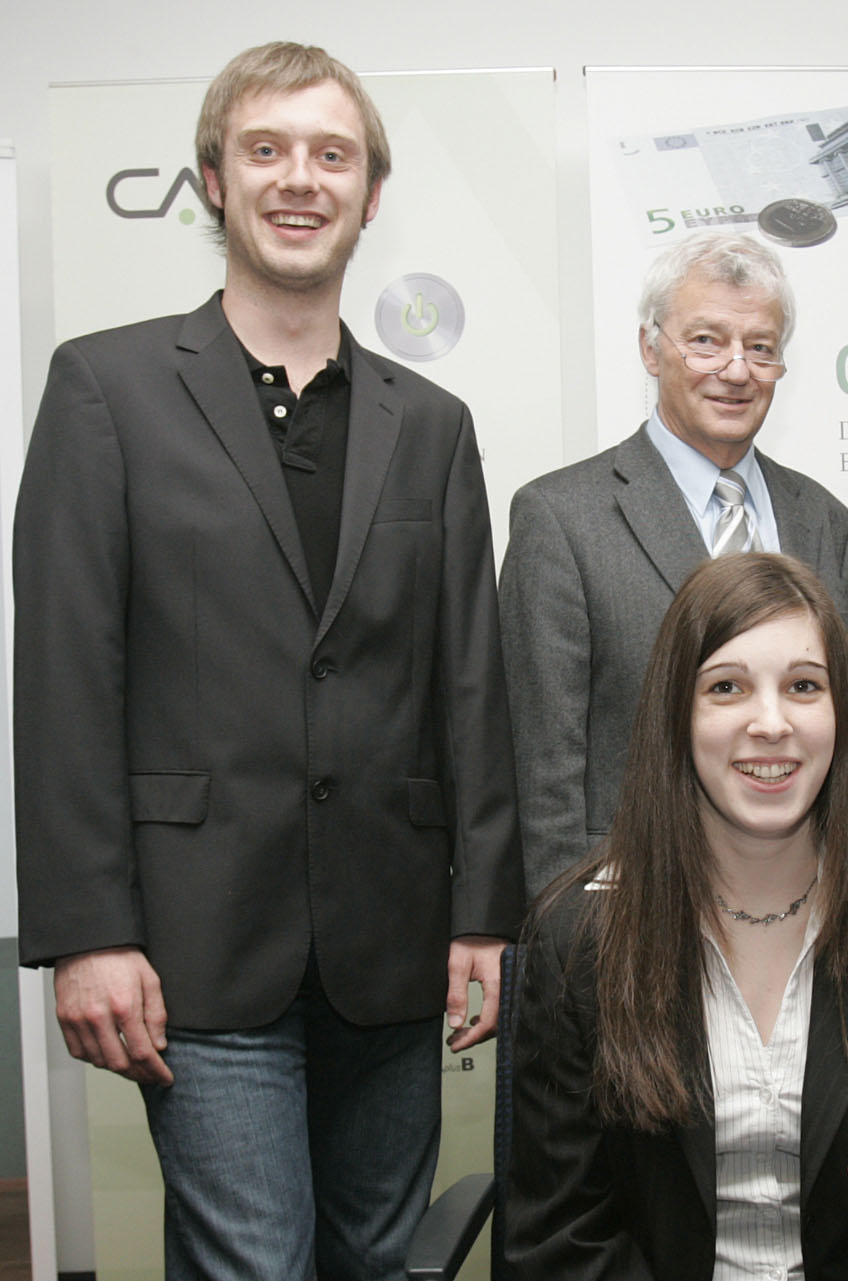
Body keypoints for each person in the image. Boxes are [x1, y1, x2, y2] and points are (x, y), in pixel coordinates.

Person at [13, 42, 522, 1281]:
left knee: (374, 1260)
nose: (301, 179)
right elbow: (66, 675)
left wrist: (485, 914)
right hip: (191, 945)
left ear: (371, 193)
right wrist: (86, 933)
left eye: (331, 155)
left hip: (391, 949)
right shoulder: (106, 388)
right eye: (267, 150)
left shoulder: (432, 425)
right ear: (213, 180)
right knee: (252, 1259)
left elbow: (469, 681)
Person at [506, 553, 848, 1280]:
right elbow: (559, 1239)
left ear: (842, 713)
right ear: (677, 714)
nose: (771, 723)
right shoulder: (577, 938)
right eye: (726, 687)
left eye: (804, 686)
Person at [502, 232, 848, 899]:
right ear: (650, 348)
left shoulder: (825, 521)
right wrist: (566, 926)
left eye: (761, 347)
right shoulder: (560, 518)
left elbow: (846, 741)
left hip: (799, 905)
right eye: (705, 341)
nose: (737, 370)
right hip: (627, 905)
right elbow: (545, 765)